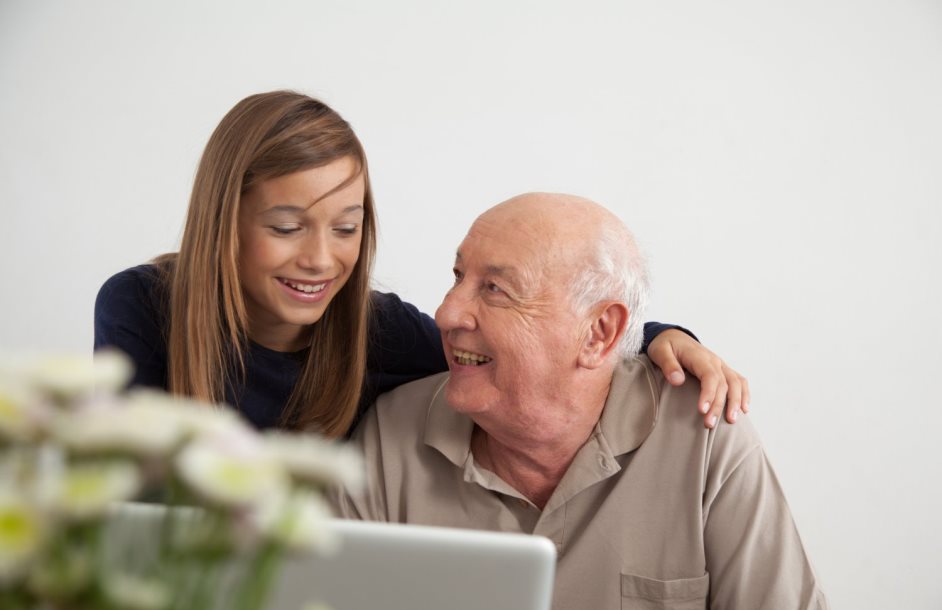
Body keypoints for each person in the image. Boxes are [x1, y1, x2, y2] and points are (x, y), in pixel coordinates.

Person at [94, 90, 748, 437]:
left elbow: (526, 341)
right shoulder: (141, 306)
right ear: (223, 224)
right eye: (287, 227)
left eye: (346, 227)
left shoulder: (373, 330)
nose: (322, 259)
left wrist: (664, 338)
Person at [331, 193, 831, 610]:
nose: (446, 312)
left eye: (495, 289)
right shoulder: (388, 437)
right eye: (459, 276)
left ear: (599, 334)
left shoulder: (701, 432)